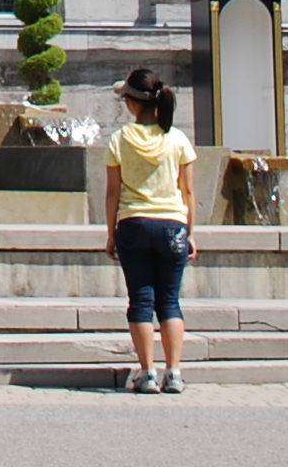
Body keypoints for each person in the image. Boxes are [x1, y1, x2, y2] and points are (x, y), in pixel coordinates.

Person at [98, 66, 198, 393]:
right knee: (169, 301)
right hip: (173, 226)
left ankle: (147, 373)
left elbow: (112, 192)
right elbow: (188, 191)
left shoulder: (120, 139)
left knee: (141, 300)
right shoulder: (178, 139)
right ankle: (175, 373)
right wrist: (190, 233)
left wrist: (111, 232)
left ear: (132, 103)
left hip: (134, 224)